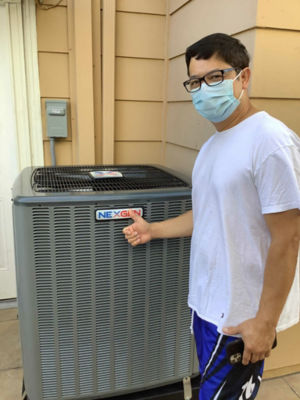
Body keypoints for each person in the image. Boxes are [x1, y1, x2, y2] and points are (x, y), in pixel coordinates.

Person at [123, 33, 300, 399]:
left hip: (241, 316)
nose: (203, 89)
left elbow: (288, 236)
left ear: (243, 77)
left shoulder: (270, 141)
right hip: (206, 304)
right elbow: (207, 215)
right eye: (195, 81)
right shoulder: (212, 146)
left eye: (215, 77)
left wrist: (265, 324)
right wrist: (152, 230)